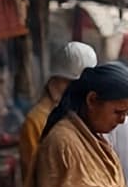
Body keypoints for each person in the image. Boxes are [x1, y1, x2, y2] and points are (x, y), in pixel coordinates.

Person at [20, 41, 97, 175]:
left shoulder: (86, 116)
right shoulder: (36, 120)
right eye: (70, 84)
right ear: (55, 81)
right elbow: (36, 175)